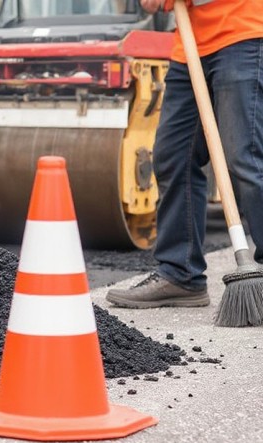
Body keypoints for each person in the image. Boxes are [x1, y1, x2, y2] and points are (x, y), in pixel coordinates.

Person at [106, 0, 263, 308]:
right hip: (189, 45)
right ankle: (180, 274)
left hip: (243, 33)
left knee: (245, 158)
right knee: (173, 157)